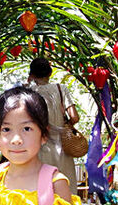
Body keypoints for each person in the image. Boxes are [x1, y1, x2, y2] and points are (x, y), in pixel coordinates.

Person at [25, 58, 79, 191]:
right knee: (65, 191)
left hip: (39, 150)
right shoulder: (61, 89)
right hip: (63, 148)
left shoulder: (29, 93)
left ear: (32, 74)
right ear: (50, 73)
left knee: (42, 193)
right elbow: (74, 117)